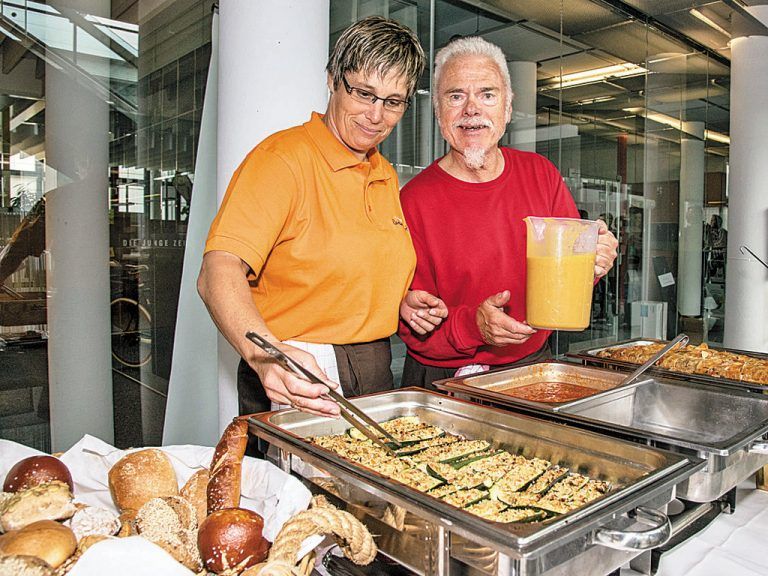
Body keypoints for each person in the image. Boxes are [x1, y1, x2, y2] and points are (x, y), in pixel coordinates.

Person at [197, 17, 445, 443]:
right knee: (297, 504)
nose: (375, 114)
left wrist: (396, 299)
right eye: (363, 93)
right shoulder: (282, 159)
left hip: (373, 369)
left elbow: (339, 261)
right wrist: (263, 356)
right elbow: (218, 270)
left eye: (393, 101)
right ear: (332, 80)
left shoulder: (383, 172)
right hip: (299, 370)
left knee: (365, 501)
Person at [397, 36, 618, 387]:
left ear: (508, 108)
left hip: (531, 370)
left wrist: (595, 258)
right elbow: (412, 324)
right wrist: (474, 327)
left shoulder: (541, 174)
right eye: (456, 97)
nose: (472, 110)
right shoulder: (411, 201)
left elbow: (571, 270)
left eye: (487, 95)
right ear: (438, 111)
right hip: (442, 381)